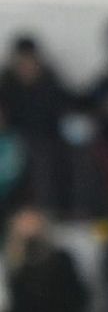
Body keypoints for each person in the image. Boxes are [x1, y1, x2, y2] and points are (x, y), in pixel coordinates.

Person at [0, 206, 88, 312]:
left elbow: (75, 298)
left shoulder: (61, 259)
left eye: (32, 223)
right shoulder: (9, 265)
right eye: (24, 224)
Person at [0, 36, 70, 215]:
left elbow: (65, 111)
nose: (26, 66)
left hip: (45, 141)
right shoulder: (6, 84)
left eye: (30, 61)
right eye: (22, 61)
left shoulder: (50, 84)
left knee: (42, 158)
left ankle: (46, 210)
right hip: (11, 140)